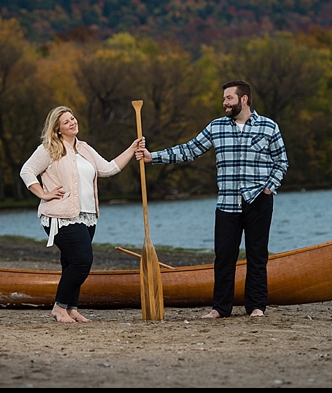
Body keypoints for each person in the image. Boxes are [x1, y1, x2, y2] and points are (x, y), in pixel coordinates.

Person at [135, 79, 288, 318]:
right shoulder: (216, 127)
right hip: (227, 203)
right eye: (224, 98)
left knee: (257, 255)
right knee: (224, 256)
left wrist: (269, 187)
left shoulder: (269, 127)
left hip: (259, 200)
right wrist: (153, 156)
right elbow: (189, 149)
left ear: (243, 99)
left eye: (229, 98)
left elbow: (281, 162)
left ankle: (256, 307)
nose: (224, 102)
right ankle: (220, 308)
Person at [19, 106, 142, 323]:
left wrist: (132, 149)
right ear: (57, 129)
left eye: (72, 118)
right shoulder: (49, 148)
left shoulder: (84, 148)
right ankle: (59, 308)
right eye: (66, 122)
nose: (72, 123)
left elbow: (108, 169)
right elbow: (27, 171)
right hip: (60, 216)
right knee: (82, 261)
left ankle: (71, 308)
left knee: (70, 263)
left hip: (87, 216)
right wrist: (44, 194)